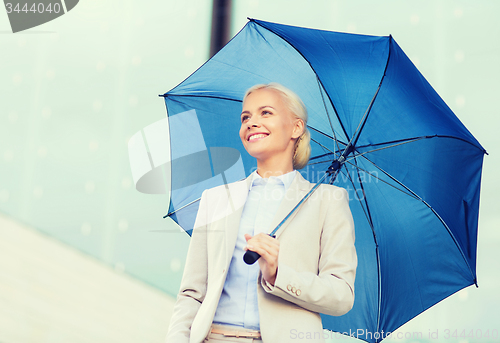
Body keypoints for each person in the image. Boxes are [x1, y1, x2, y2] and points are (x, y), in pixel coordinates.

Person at [165, 83, 357, 343]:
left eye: (266, 113)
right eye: (246, 117)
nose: (252, 122)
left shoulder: (327, 201)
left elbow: (341, 295)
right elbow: (191, 293)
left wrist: (278, 274)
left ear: (296, 128)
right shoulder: (216, 199)